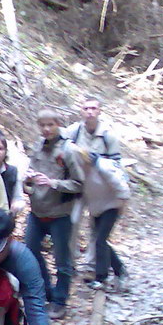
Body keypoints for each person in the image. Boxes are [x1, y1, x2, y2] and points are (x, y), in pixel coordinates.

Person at [23, 109, 84, 320]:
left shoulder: (69, 150)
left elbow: (79, 184)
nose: (47, 129)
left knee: (63, 260)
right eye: (42, 125)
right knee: (30, 251)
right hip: (37, 211)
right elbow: (31, 173)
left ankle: (60, 302)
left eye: (50, 124)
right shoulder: (38, 146)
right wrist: (28, 180)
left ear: (58, 124)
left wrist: (54, 183)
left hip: (60, 214)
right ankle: (47, 292)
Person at [63, 97, 123, 270]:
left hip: (101, 189)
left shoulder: (107, 135)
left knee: (95, 227)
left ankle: (91, 264)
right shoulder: (73, 131)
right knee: (72, 222)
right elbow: (59, 144)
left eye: (93, 108)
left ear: (99, 111)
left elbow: (116, 164)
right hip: (79, 187)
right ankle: (71, 262)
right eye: (86, 108)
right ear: (81, 111)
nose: (90, 111)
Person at [74, 148, 130, 290]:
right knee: (101, 241)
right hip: (97, 209)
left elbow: (122, 188)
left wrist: (122, 208)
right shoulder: (79, 173)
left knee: (100, 241)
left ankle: (101, 278)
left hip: (112, 206)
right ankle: (120, 270)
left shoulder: (102, 167)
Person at [0, 133, 27, 216]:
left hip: (5, 217)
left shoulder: (12, 171)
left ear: (6, 151)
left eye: (1, 149)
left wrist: (17, 205)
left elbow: (18, 196)